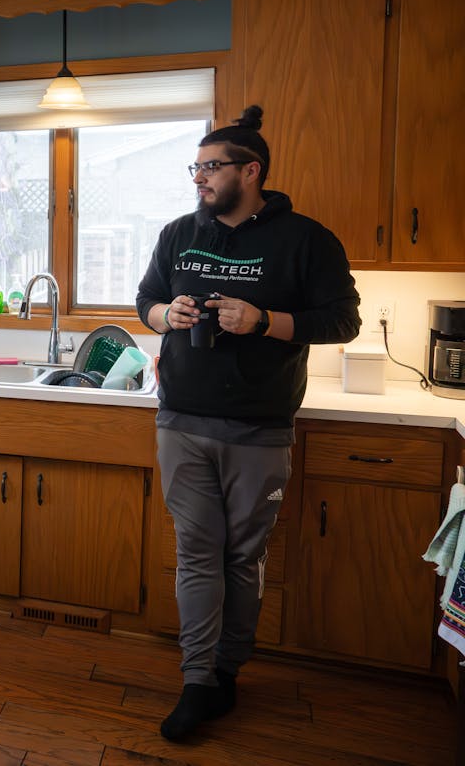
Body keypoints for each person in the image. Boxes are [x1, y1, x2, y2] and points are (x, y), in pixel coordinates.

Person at [136, 106, 361, 742]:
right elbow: (144, 298)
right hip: (181, 420)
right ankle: (196, 679)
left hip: (259, 427)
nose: (200, 179)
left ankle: (228, 671)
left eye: (211, 168)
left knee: (241, 556)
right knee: (196, 554)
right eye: (196, 168)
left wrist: (264, 321)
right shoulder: (181, 231)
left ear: (250, 170)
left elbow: (342, 322)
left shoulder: (306, 240)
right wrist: (165, 316)